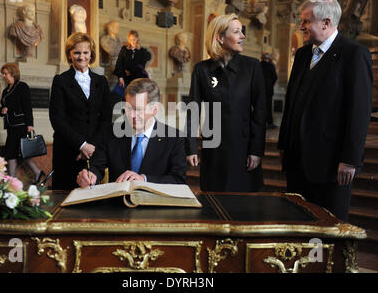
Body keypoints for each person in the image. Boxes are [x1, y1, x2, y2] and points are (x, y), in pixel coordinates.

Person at [277, 0, 373, 221]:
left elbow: (359, 111)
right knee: (297, 223)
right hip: (297, 162)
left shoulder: (354, 54)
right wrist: (284, 145)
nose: (301, 27)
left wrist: (350, 159)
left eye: (306, 22)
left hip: (331, 166)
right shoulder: (302, 55)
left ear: (326, 22)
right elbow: (292, 103)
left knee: (328, 229)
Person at [185, 13, 266, 192]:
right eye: (237, 32)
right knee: (214, 203)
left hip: (243, 148)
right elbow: (193, 110)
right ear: (220, 38)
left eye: (241, 31)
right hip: (213, 150)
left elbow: (260, 111)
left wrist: (256, 150)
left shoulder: (252, 66)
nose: (242, 36)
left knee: (244, 208)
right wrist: (191, 148)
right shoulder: (201, 70)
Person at [76, 78, 186, 187]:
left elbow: (178, 179)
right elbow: (96, 166)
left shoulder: (174, 138)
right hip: (118, 202)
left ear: (154, 109)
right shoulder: (111, 133)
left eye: (138, 109)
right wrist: (90, 175)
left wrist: (144, 179)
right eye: (129, 108)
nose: (132, 115)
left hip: (155, 203)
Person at [49, 32, 112, 190]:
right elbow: (57, 120)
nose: (81, 57)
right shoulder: (60, 81)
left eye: (85, 52)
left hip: (94, 150)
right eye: (77, 52)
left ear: (91, 54)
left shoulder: (101, 82)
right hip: (68, 150)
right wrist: (81, 145)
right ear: (70, 54)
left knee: (92, 196)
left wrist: (91, 147)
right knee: (65, 196)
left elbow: (106, 119)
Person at [0, 63, 44, 183]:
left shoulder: (22, 86)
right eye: (2, 74)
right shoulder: (5, 91)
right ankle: (15, 179)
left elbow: (27, 107)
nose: (3, 76)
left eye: (5, 73)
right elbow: (2, 107)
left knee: (23, 152)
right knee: (11, 153)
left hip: (21, 126)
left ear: (13, 73)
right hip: (10, 127)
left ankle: (14, 179)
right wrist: (2, 111)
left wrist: (30, 125)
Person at [260, 53, 278, 129]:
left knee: (259, 106)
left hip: (259, 89)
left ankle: (260, 122)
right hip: (268, 89)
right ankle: (269, 123)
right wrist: (271, 84)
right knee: (268, 106)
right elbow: (275, 77)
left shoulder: (258, 65)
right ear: (268, 59)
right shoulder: (271, 66)